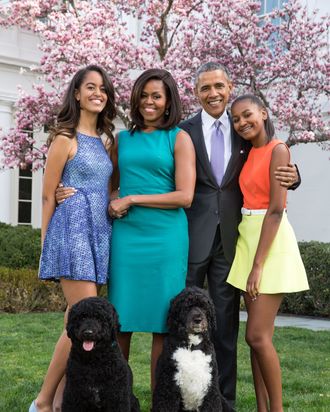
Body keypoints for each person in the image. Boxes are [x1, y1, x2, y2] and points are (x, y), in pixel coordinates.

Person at [179, 62, 300, 411]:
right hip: (192, 236)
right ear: (196, 93)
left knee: (226, 327)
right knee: (179, 318)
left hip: (234, 242)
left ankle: (224, 401)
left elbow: (273, 162)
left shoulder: (243, 129)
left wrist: (294, 175)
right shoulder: (183, 131)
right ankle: (179, 397)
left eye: (218, 86)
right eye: (205, 88)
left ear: (230, 87)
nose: (213, 93)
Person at [29, 65, 115, 412]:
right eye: (90, 87)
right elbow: (48, 196)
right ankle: (44, 401)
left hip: (99, 232)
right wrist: (46, 245)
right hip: (72, 231)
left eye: (103, 88)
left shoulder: (107, 142)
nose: (98, 93)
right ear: (76, 94)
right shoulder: (65, 139)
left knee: (75, 320)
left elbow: (107, 188)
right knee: (83, 316)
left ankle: (62, 402)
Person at [107, 68, 196, 390]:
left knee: (163, 324)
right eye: (143, 95)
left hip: (165, 238)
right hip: (127, 237)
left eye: (156, 96)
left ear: (168, 100)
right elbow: (108, 185)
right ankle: (116, 399)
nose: (149, 102)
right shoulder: (122, 140)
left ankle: (162, 402)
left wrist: (132, 197)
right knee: (120, 321)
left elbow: (184, 196)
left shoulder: (180, 137)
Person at [226, 94, 309, 411]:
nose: (242, 122)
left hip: (269, 244)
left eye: (247, 115)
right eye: (236, 119)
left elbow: (276, 210)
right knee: (256, 339)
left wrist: (257, 266)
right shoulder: (249, 151)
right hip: (248, 237)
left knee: (257, 336)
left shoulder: (278, 150)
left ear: (263, 112)